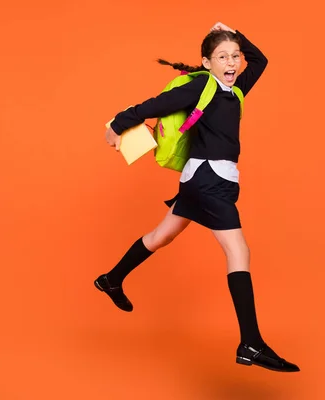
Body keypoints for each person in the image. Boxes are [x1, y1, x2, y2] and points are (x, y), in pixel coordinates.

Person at [97, 22, 299, 373]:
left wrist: (233, 31)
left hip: (202, 179)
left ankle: (111, 279)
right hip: (209, 179)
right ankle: (251, 342)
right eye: (222, 56)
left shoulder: (234, 91)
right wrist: (117, 125)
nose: (232, 62)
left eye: (235, 55)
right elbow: (157, 103)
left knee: (163, 235)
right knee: (239, 251)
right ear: (206, 62)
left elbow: (261, 60)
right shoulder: (201, 85)